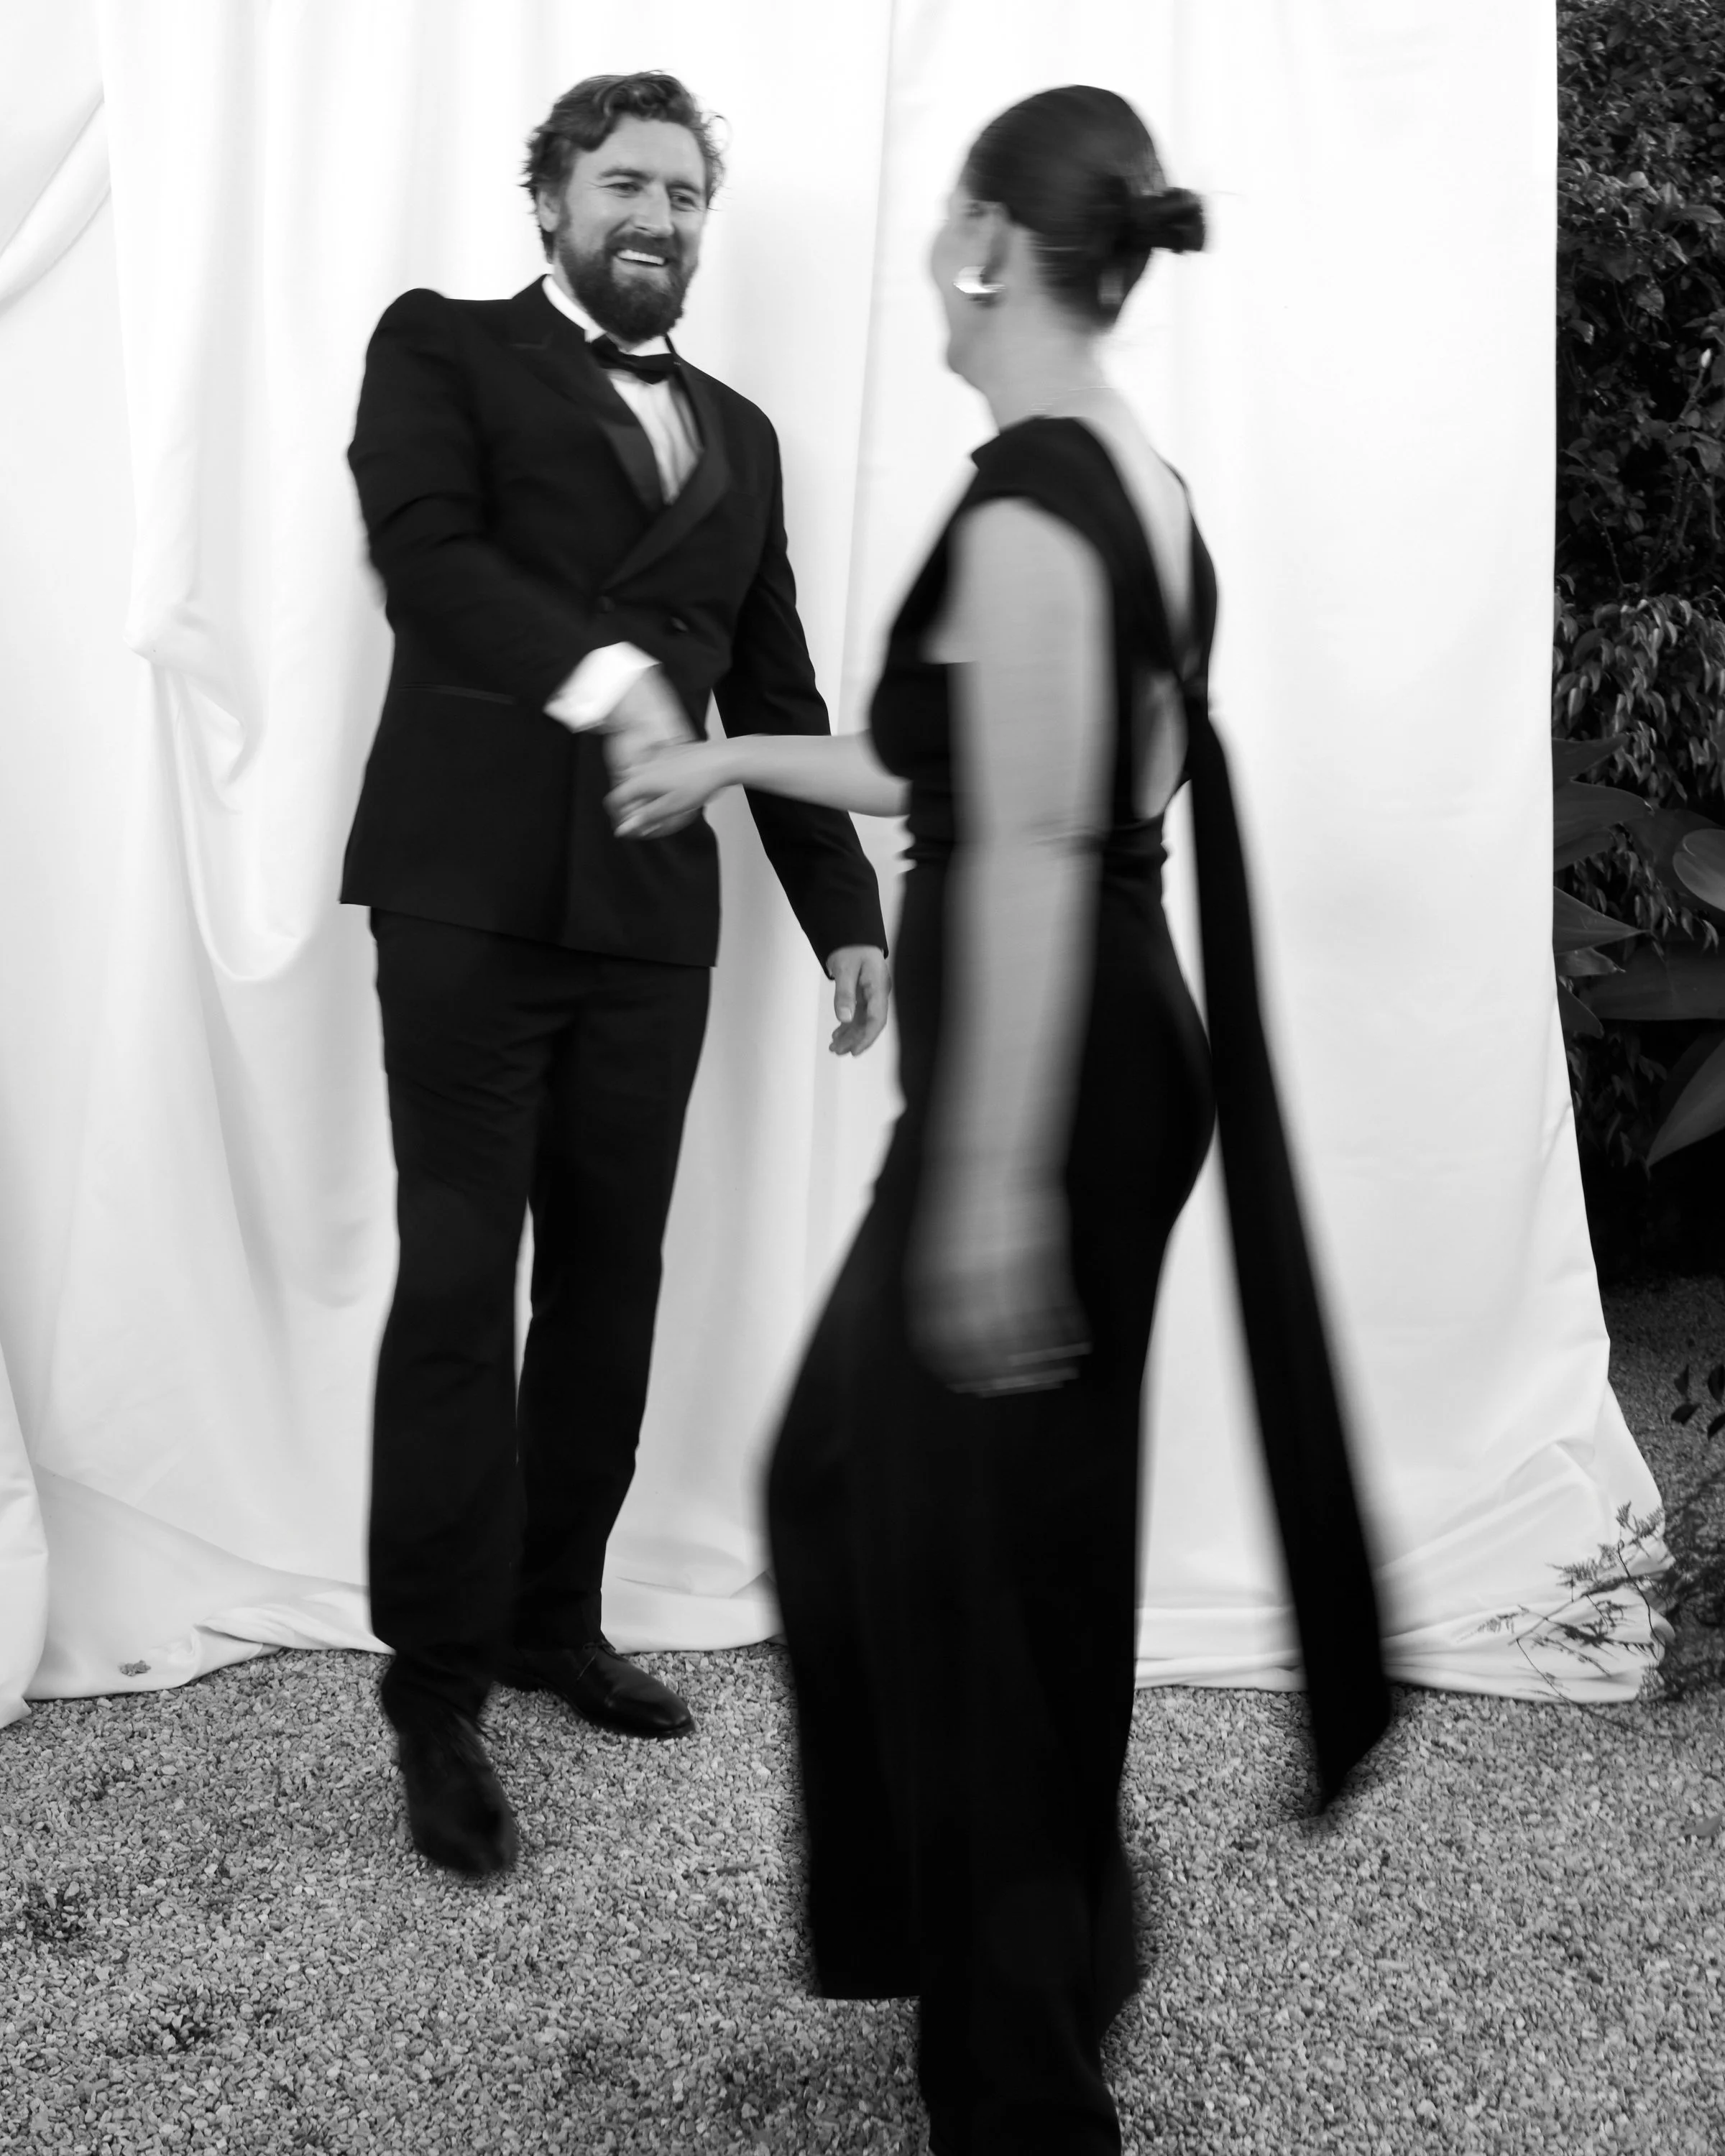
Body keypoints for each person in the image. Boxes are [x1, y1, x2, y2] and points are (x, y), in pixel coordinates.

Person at [610, 85, 1391, 2156]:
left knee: (949, 1559)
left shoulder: (1040, 506)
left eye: (941, 226)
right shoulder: (1130, 481)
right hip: (1081, 1071)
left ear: (981, 240)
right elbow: (959, 766)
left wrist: (983, 1199)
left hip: (1043, 1098)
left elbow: (1034, 846)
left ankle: (1023, 2083)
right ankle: (1054, 1942)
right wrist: (733, 763)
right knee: (934, 1518)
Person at [341, 71, 890, 1880]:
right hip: (470, 897)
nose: (658, 217)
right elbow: (428, 564)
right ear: (553, 200)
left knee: (611, 1287)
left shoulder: (744, 432)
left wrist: (843, 914)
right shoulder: (441, 345)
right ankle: (433, 1693)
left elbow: (774, 687)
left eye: (686, 193)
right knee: (454, 1285)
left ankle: (548, 1617)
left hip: (651, 923)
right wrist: (611, 682)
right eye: (626, 183)